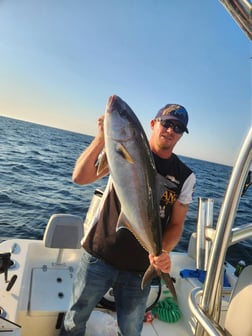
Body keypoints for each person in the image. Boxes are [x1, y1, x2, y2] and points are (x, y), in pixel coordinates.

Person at [60, 103, 196, 336]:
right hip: (99, 254)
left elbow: (176, 224)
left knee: (131, 330)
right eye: (167, 123)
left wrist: (163, 252)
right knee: (74, 320)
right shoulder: (123, 151)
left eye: (178, 128)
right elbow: (80, 177)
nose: (171, 130)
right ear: (153, 124)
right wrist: (102, 138)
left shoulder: (185, 176)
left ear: (181, 135)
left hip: (140, 267)